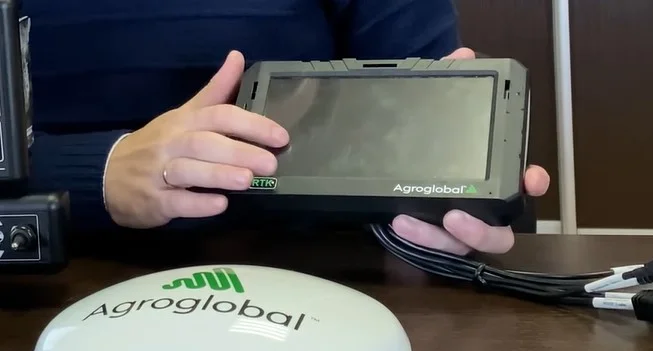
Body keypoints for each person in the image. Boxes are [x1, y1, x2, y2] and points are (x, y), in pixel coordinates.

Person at [22, 0, 549, 255]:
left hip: (322, 293)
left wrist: (452, 223)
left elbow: (432, 126)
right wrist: (99, 175)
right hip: (51, 283)